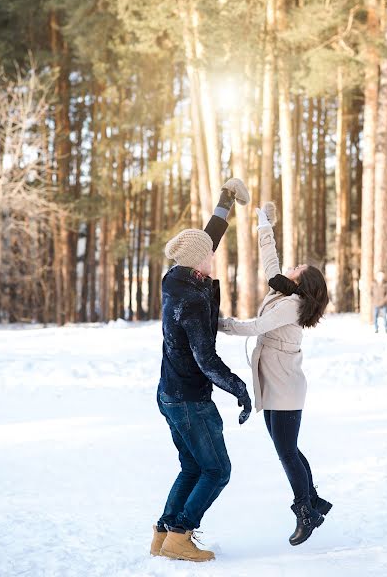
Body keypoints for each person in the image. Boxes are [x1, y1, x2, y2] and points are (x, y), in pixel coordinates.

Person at [151, 178, 252, 562]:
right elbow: (205, 359)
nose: (213, 256)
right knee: (217, 470)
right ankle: (180, 536)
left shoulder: (177, 277)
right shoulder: (190, 300)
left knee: (192, 466)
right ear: (199, 263)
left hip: (170, 394)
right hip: (190, 400)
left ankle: (162, 535)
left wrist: (224, 203)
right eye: (208, 255)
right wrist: (239, 388)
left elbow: (205, 240)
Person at [219, 203, 331, 546]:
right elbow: (271, 262)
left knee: (286, 451)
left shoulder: (291, 305)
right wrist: (263, 224)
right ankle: (313, 500)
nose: (292, 267)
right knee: (288, 448)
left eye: (298, 268)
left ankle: (306, 512)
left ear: (303, 282)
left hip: (285, 385)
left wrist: (219, 324)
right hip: (276, 381)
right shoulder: (284, 291)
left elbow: (256, 327)